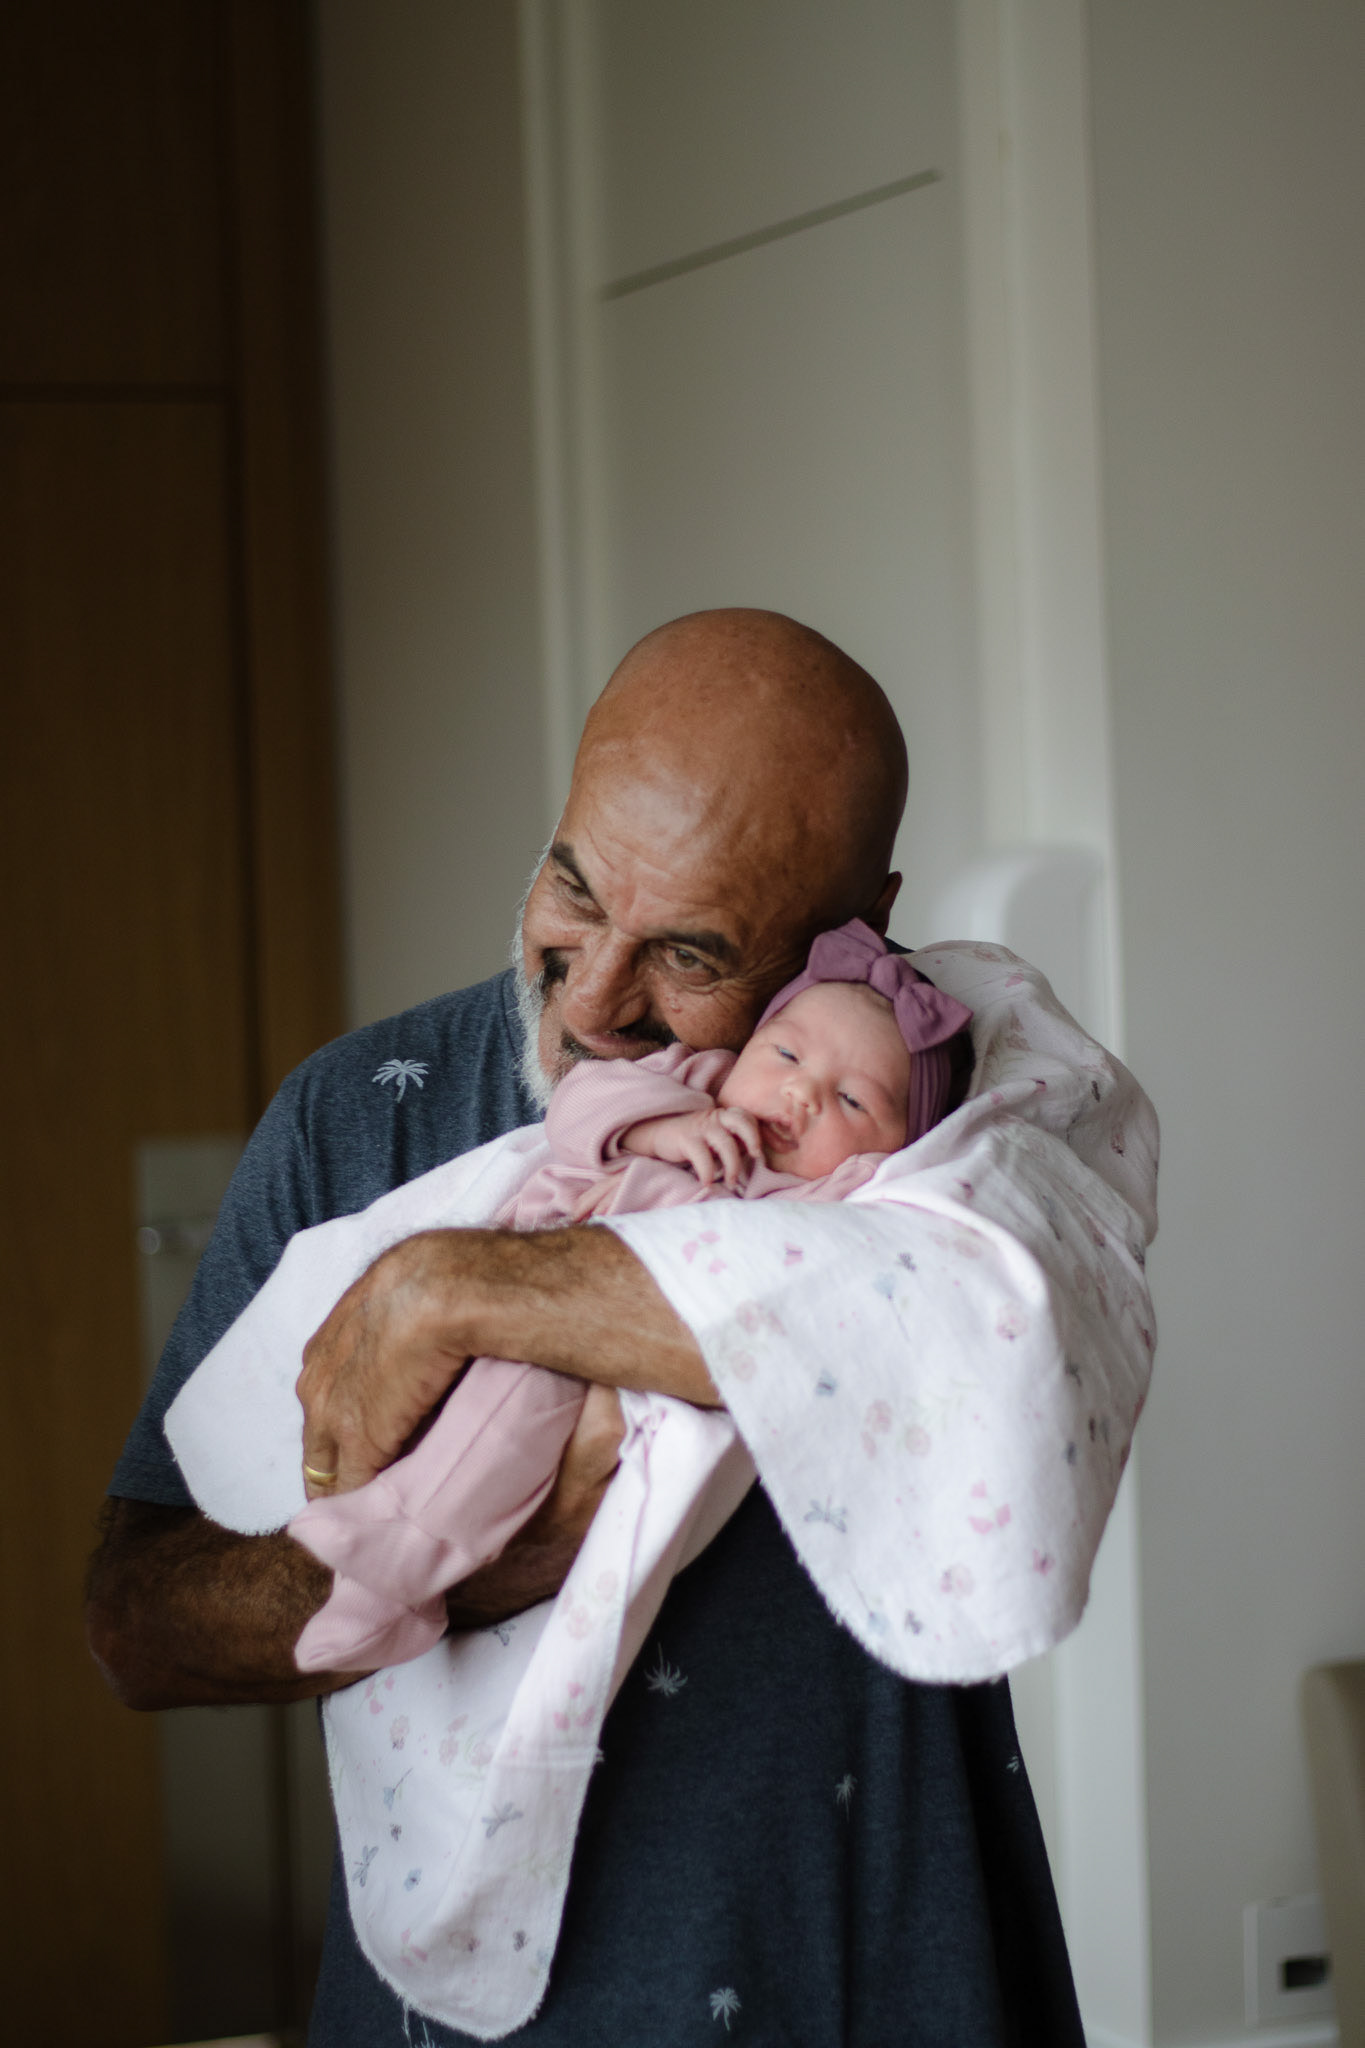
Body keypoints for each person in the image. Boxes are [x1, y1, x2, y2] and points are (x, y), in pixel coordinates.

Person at [88, 608, 1158, 2046]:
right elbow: (139, 1624)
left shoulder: (962, 1098)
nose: (591, 999)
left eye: (690, 955)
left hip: (878, 1986)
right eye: (573, 889)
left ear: (857, 923)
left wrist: (449, 1289)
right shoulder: (358, 1114)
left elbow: (991, 1347)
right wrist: (476, 1567)